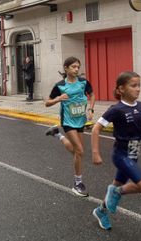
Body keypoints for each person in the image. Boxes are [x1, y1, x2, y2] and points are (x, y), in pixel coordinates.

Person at [90, 71, 141, 230]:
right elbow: (95, 129)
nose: (138, 89)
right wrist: (95, 153)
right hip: (121, 155)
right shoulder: (116, 109)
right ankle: (117, 192)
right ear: (121, 89)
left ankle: (101, 211)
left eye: (139, 85)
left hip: (134, 155)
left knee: (114, 189)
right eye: (133, 86)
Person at [44, 57, 95, 197]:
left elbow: (92, 95)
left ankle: (57, 134)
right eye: (73, 67)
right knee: (79, 151)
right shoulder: (60, 85)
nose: (76, 69)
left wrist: (90, 109)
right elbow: (47, 103)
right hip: (67, 121)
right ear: (66, 68)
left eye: (78, 67)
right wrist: (58, 99)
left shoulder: (84, 82)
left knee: (76, 151)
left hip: (80, 121)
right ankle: (77, 183)